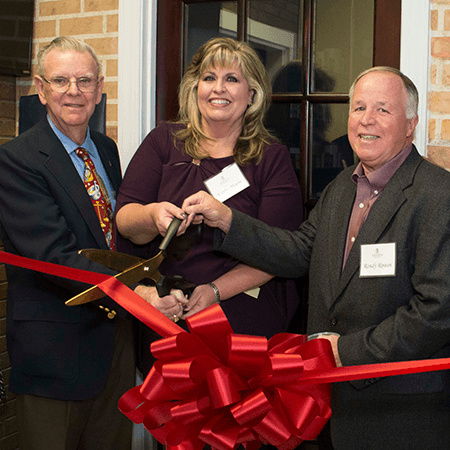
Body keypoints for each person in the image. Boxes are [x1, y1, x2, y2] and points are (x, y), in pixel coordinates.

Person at [181, 67, 450, 450]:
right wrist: (227, 220)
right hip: (328, 410)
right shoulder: (342, 187)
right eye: (358, 108)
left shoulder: (438, 195)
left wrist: (345, 351)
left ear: (411, 125)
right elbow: (299, 252)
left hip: (399, 412)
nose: (366, 120)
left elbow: (437, 312)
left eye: (382, 110)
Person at [0, 37, 176, 450]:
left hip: (112, 345)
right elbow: (52, 255)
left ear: (99, 90)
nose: (73, 91)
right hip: (53, 353)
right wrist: (139, 294)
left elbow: (115, 237)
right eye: (60, 80)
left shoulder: (107, 151)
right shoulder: (16, 160)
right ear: (41, 90)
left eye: (84, 80)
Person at [114, 37, 304, 375]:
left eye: (232, 79)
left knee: (240, 422)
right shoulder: (163, 141)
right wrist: (153, 215)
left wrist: (215, 291)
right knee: (172, 420)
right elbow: (125, 218)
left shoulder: (270, 158)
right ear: (195, 87)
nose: (219, 89)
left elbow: (280, 251)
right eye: (209, 77)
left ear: (252, 94)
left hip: (242, 318)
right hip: (166, 312)